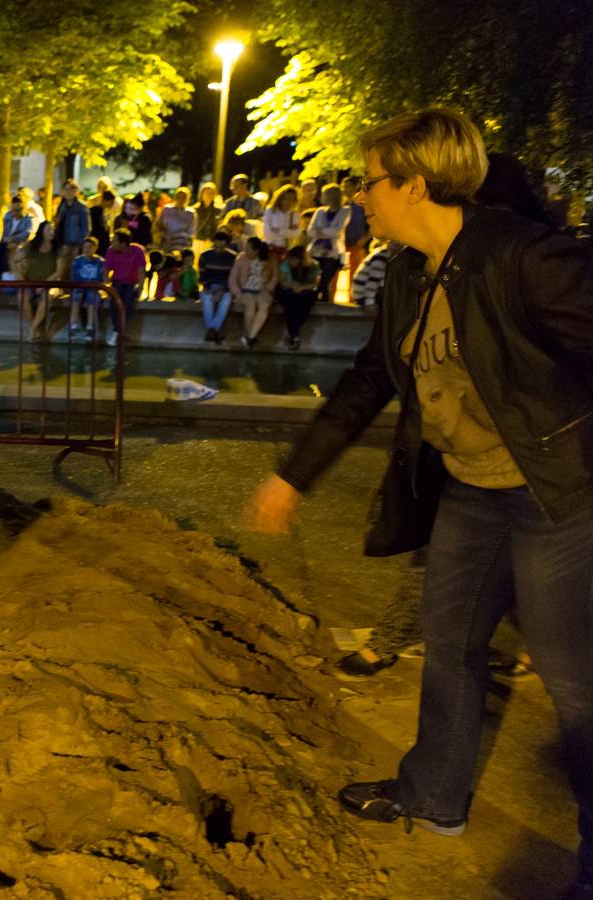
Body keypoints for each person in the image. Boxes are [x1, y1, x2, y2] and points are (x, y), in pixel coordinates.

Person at [243, 109, 593, 900]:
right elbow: (371, 379)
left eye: (369, 181)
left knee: (577, 684)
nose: (359, 197)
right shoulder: (408, 271)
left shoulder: (523, 257)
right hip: (471, 490)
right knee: (449, 646)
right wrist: (295, 475)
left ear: (414, 183)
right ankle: (433, 795)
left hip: (557, 496)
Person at [100, 227, 146, 347]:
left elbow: (141, 272)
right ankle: (118, 331)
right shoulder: (111, 251)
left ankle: (117, 332)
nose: (112, 243)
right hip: (117, 282)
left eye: (115, 241)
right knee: (114, 302)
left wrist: (141, 289)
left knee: (128, 301)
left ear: (123, 243)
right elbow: (105, 271)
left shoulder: (138, 251)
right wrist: (107, 286)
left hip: (131, 282)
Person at [230, 235, 276, 348]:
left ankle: (249, 337)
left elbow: (275, 277)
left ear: (256, 250)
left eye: (248, 249)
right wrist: (237, 292)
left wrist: (268, 289)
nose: (246, 251)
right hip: (245, 289)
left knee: (264, 305)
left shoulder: (269, 260)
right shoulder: (241, 259)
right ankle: (251, 336)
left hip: (263, 289)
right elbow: (232, 277)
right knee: (250, 303)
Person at [309, 184, 352, 303]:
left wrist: (320, 231)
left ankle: (324, 302)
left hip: (333, 252)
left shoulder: (345, 211)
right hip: (316, 250)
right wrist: (326, 232)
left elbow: (337, 231)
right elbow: (311, 231)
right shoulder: (320, 211)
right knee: (315, 278)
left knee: (326, 279)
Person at [276, 245, 319, 350]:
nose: (292, 262)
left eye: (294, 260)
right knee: (290, 303)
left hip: (305, 290)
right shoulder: (285, 265)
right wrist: (292, 285)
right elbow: (281, 281)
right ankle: (294, 335)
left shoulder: (313, 266)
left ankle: (292, 334)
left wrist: (302, 287)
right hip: (288, 290)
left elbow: (315, 284)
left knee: (304, 304)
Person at [197, 230, 237, 343]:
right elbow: (202, 276)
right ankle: (215, 330)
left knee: (226, 301)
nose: (218, 250)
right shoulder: (205, 256)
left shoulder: (232, 258)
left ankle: (211, 330)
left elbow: (232, 278)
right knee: (207, 299)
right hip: (210, 285)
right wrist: (209, 287)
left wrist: (222, 290)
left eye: (221, 247)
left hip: (225, 287)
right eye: (216, 246)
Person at [21, 222, 57, 340]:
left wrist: (44, 284)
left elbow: (59, 272)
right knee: (22, 296)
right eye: (48, 229)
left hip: (51, 283)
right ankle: (34, 327)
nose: (51, 232)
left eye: (52, 230)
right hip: (32, 282)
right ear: (41, 231)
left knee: (48, 297)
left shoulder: (57, 248)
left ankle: (32, 330)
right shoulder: (30, 247)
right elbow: (19, 258)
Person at [51, 181, 89, 281]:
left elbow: (86, 227)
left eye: (70, 189)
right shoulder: (61, 207)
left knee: (74, 268)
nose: (68, 192)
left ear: (75, 191)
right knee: (62, 268)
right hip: (62, 242)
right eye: (65, 189)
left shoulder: (81, 207)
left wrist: (79, 243)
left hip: (75, 243)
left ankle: (73, 290)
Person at [69, 236, 105, 342]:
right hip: (80, 285)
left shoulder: (100, 261)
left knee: (92, 298)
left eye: (90, 247)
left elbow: (100, 276)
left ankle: (90, 327)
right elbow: (75, 276)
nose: (87, 250)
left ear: (95, 248)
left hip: (93, 286)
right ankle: (73, 325)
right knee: (76, 296)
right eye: (85, 247)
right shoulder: (78, 261)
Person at [341, 176, 371, 276]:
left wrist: (365, 239)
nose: (345, 189)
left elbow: (372, 222)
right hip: (342, 246)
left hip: (357, 246)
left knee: (356, 274)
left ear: (355, 187)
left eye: (348, 186)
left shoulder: (362, 204)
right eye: (343, 187)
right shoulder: (342, 205)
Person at [263, 185, 301, 261]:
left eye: (292, 200)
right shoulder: (270, 211)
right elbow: (267, 233)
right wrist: (287, 233)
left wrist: (279, 231)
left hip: (284, 251)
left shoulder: (293, 215)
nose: (288, 202)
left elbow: (296, 233)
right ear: (280, 199)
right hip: (269, 248)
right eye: (286, 199)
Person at [350, 239, 393, 307]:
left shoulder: (382, 252)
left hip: (361, 293)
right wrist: (370, 302)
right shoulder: (382, 255)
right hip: (363, 294)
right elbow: (373, 280)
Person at [153, 187, 195, 254]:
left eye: (183, 197)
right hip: (167, 243)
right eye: (179, 197)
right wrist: (162, 235)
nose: (181, 200)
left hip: (182, 245)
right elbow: (158, 224)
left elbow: (191, 231)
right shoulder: (167, 209)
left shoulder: (190, 213)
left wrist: (178, 236)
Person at [191, 183, 223, 257]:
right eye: (207, 193)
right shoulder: (195, 209)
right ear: (202, 194)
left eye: (211, 193)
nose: (209, 195)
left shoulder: (218, 210)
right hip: (198, 239)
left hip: (212, 241)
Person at [88, 190, 116, 260]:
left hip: (102, 245)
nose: (112, 205)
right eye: (112, 202)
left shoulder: (104, 212)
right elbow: (97, 229)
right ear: (107, 201)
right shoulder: (95, 211)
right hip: (97, 244)